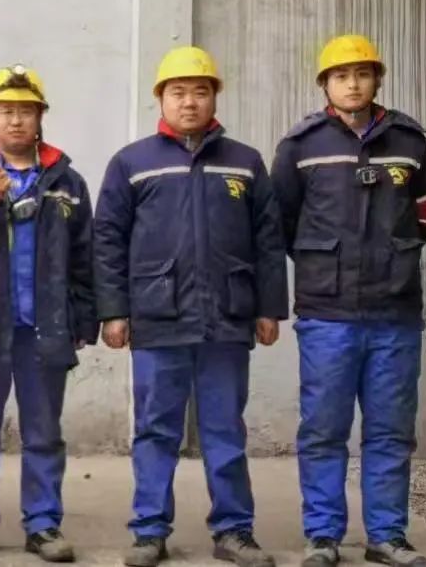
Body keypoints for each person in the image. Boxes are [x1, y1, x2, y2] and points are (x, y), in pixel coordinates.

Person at [94, 46, 287, 567]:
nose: (189, 102)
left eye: (200, 91)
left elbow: (268, 240)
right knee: (156, 430)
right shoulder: (132, 163)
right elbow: (107, 239)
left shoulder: (244, 162)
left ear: (214, 98)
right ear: (160, 98)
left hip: (227, 318)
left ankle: (234, 531)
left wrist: (269, 308)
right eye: (177, 92)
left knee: (225, 430)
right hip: (158, 317)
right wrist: (114, 311)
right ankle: (149, 531)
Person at [271, 34, 426, 567]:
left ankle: (387, 536)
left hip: (395, 312)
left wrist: (392, 257)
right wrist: (327, 262)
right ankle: (323, 536)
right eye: (341, 75)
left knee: (391, 430)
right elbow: (282, 223)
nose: (353, 84)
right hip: (328, 314)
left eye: (363, 74)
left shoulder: (408, 141)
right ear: (325, 84)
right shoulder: (301, 146)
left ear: (377, 80)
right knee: (324, 429)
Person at [0, 64, 96, 564]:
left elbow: (85, 257)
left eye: (25, 111)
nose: (15, 120)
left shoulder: (66, 181)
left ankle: (43, 524)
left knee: (44, 432)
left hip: (44, 328)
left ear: (40, 117)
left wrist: (83, 321)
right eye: (5, 110)